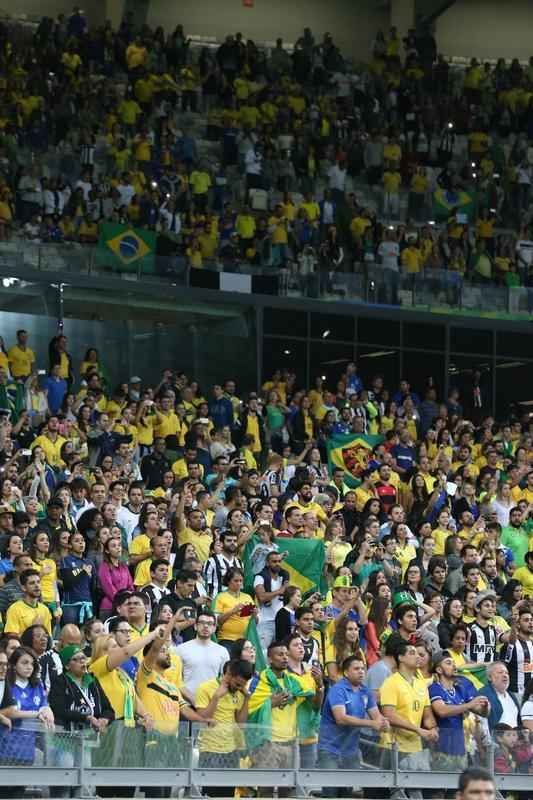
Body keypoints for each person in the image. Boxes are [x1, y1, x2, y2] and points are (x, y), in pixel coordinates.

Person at [317, 655, 389, 795]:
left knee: (347, 793)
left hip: (351, 751)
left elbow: (376, 717)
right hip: (330, 749)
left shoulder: (365, 691)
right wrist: (372, 723)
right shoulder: (338, 690)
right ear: (346, 672)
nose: (361, 671)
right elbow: (341, 718)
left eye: (363, 668)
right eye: (356, 669)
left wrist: (384, 723)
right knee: (330, 792)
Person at [379, 640, 439, 796]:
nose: (418, 656)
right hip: (393, 746)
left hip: (416, 747)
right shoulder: (391, 683)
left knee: (416, 792)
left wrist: (433, 728)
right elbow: (389, 715)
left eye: (419, 653)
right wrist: (418, 730)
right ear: (401, 658)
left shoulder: (421, 684)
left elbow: (427, 715)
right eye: (412, 653)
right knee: (396, 793)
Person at [195, 658, 254, 797]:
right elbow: (203, 719)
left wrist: (246, 699)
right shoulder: (205, 688)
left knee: (227, 794)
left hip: (231, 750)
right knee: (210, 793)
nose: (240, 688)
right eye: (238, 684)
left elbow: (240, 724)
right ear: (228, 675)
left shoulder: (239, 693)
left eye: (243, 685)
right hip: (210, 750)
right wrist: (216, 697)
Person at [429, 651, 489, 771]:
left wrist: (485, 706)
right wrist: (469, 705)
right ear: (439, 670)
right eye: (448, 663)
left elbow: (482, 713)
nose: (454, 666)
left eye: (454, 663)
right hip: (441, 750)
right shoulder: (434, 688)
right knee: (440, 788)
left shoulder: (460, 689)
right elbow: (442, 711)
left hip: (460, 749)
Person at [175, 611, 229, 703]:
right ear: (195, 626)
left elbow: (226, 679)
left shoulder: (222, 651)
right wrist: (193, 700)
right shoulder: (181, 649)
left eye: (210, 624)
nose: (206, 626)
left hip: (211, 703)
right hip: (186, 703)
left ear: (214, 628)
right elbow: (175, 678)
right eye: (202, 623)